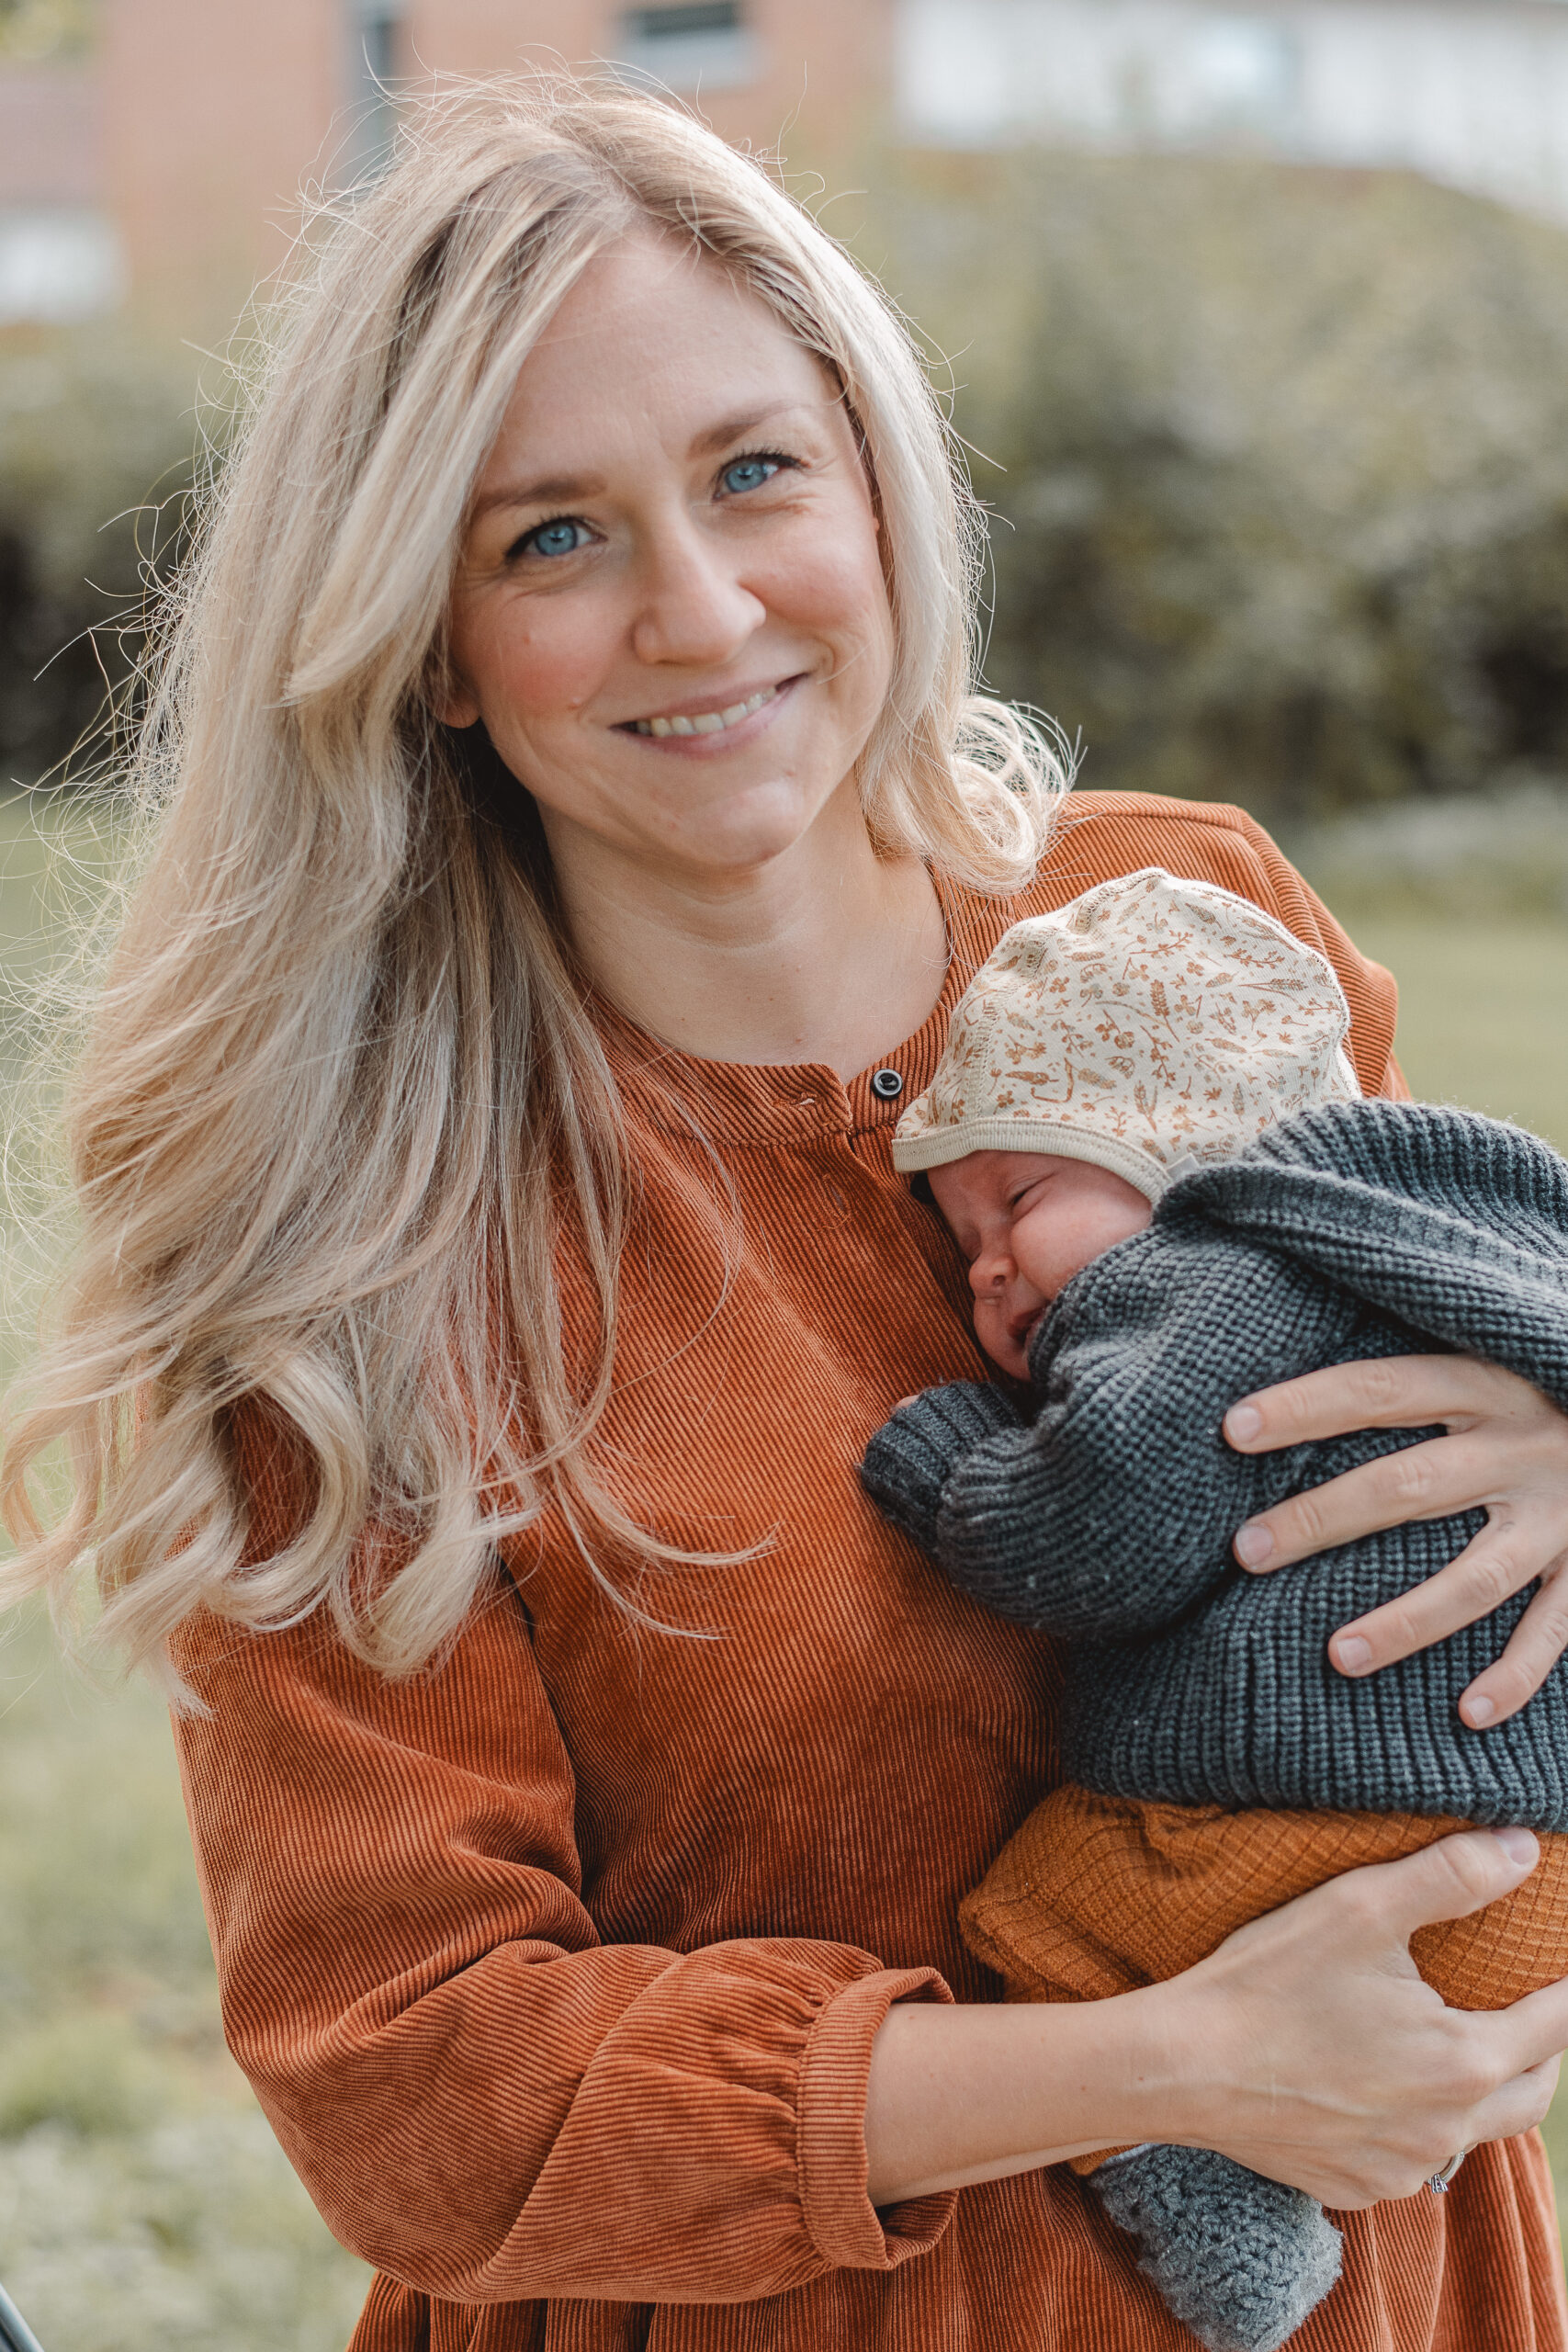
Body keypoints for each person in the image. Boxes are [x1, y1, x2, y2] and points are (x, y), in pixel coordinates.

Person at [6, 77, 1568, 2352]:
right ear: (429, 642)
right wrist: (1166, 2065)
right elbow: (413, 2088)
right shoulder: (359, 1245)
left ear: (871, 484)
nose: (700, 606)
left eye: (754, 473)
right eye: (552, 538)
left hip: (1382, 2292)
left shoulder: (1176, 918)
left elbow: (1434, 1325)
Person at [860, 865, 1568, 2351]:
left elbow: (1097, 1533)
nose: (988, 1273)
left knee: (1039, 1922)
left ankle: (1207, 2194)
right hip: (1530, 1868)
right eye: (958, 1242)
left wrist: (944, 1471)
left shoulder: (1203, 1277)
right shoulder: (1460, 1228)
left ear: (1170, 1147)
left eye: (1022, 1199)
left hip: (1309, 1825)